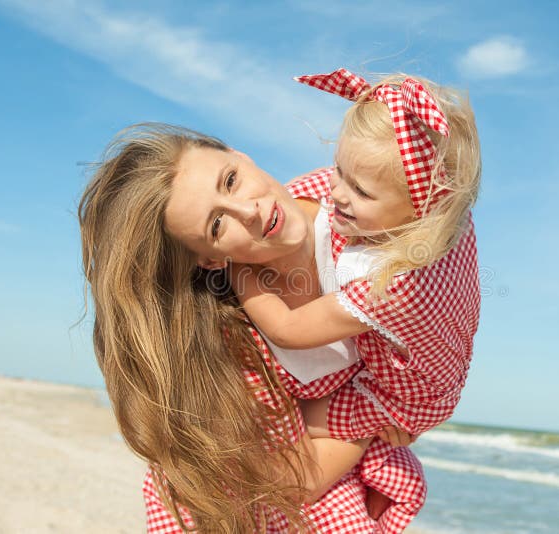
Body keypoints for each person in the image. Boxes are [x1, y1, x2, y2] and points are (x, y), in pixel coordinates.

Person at [78, 123, 425, 533]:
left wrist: (403, 407)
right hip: (263, 506)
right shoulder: (236, 338)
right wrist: (379, 413)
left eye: (230, 180)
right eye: (217, 225)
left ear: (240, 154)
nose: (250, 211)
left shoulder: (362, 206)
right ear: (209, 259)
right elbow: (300, 481)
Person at [235, 68, 482, 448]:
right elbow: (320, 186)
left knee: (304, 421)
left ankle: (357, 457)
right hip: (437, 358)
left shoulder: (395, 284)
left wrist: (239, 270)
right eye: (339, 169)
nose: (337, 192)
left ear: (421, 212)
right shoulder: (450, 215)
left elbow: (288, 329)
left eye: (361, 192)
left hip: (409, 397)